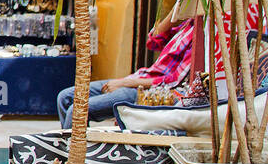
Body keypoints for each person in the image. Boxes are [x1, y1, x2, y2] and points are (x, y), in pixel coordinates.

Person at [57, 8, 195, 128]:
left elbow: (173, 81)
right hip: (139, 78)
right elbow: (153, 41)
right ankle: (71, 149)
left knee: (77, 109)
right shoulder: (187, 25)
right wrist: (174, 14)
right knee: (64, 97)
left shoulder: (201, 33)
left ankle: (73, 155)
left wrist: (124, 83)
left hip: (149, 89)